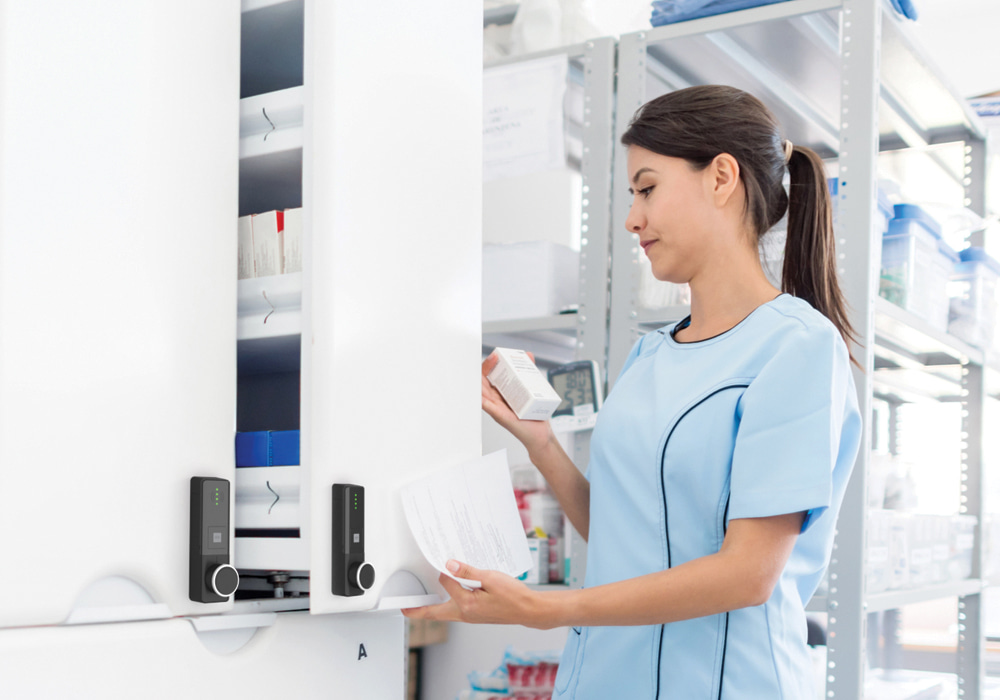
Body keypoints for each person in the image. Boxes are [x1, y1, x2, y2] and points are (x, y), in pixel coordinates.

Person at [404, 85, 863, 699]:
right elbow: (622, 531)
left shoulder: (797, 347)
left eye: (647, 189)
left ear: (721, 177)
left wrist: (547, 609)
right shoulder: (651, 353)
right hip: (605, 678)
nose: (632, 219)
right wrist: (542, 444)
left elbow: (747, 574)